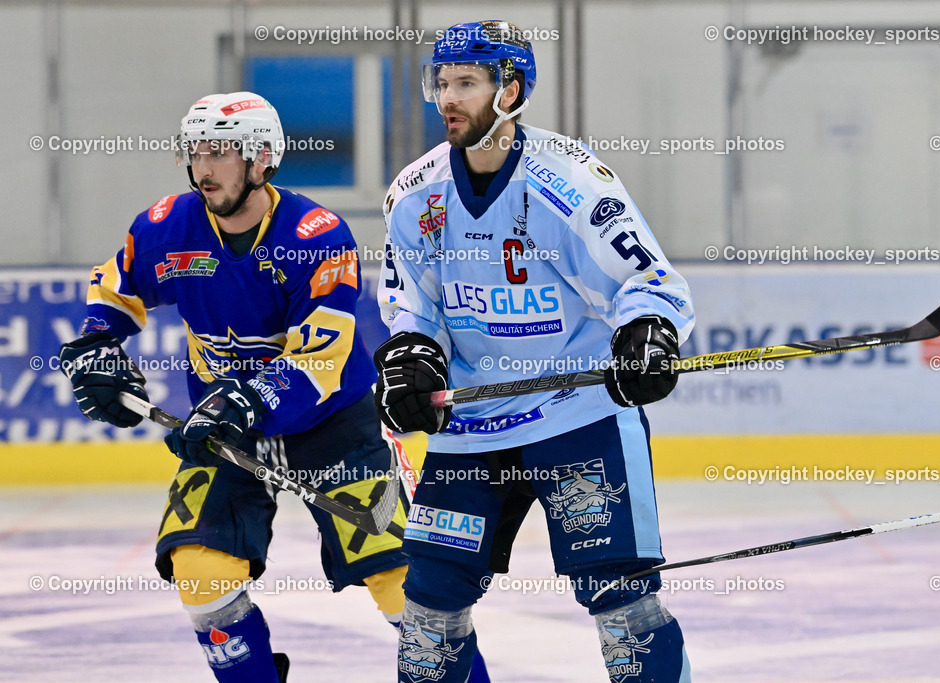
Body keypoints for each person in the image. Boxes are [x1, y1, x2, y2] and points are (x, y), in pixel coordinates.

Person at [58, 92, 489, 682]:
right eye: (196, 151)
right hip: (225, 431)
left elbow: (322, 357)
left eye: (221, 153)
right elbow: (114, 289)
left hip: (330, 426)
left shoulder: (315, 234)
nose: (203, 168)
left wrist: (247, 399)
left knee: (408, 586)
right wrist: (95, 348)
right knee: (201, 576)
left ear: (262, 159)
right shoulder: (166, 227)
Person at [375, 20, 695, 683]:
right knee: (429, 615)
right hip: (470, 427)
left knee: (622, 605)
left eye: (467, 82)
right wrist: (413, 353)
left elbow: (646, 280)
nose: (448, 98)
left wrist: (647, 332)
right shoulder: (415, 195)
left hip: (573, 414)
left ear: (511, 89)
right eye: (441, 82)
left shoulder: (571, 182)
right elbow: (415, 303)